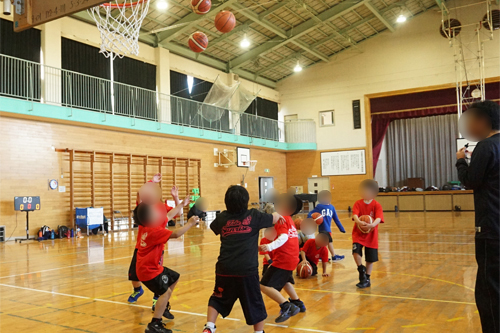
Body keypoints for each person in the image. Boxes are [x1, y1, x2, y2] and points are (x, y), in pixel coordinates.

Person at [202, 185, 283, 333]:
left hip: (224, 268)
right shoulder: (254, 215)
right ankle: (258, 332)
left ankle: (209, 327)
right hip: (247, 270)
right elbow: (275, 218)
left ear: (226, 201)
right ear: (246, 201)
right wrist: (277, 212)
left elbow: (214, 228)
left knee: (218, 297)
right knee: (254, 302)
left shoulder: (222, 218)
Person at [456, 100, 499, 333]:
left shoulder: (486, 146)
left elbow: (471, 180)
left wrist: (460, 160)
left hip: (491, 229)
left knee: (489, 290)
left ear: (483, 120)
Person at [134, 201, 200, 333]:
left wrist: (181, 205)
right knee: (166, 292)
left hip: (150, 268)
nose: (158, 212)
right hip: (148, 272)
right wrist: (190, 223)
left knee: (174, 277)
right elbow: (175, 234)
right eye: (154, 212)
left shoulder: (145, 226)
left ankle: (162, 306)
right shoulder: (154, 230)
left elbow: (168, 216)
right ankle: (155, 324)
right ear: (150, 217)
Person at [128, 175, 181, 314]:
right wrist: (151, 181)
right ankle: (137, 290)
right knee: (133, 275)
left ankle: (157, 300)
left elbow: (177, 213)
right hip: (141, 246)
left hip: (156, 246)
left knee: (156, 276)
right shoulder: (144, 206)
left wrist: (176, 197)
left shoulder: (161, 206)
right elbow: (140, 193)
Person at [260, 194, 305, 323]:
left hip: (284, 259)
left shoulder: (282, 219)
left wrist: (269, 246)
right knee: (285, 282)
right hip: (292, 258)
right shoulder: (289, 219)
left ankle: (286, 306)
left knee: (263, 285)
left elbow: (284, 237)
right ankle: (298, 302)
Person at [351, 179, 384, 289]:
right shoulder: (358, 203)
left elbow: (379, 218)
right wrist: (359, 222)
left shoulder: (376, 205)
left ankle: (367, 279)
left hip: (371, 234)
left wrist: (372, 225)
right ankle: (361, 269)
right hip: (358, 233)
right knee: (356, 252)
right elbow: (355, 214)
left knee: (370, 258)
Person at [307, 190, 346, 262]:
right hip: (323, 228)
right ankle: (334, 256)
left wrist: (341, 228)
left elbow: (336, 219)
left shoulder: (332, 207)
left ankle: (320, 256)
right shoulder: (319, 206)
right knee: (329, 242)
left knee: (324, 242)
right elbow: (310, 213)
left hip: (327, 228)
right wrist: (310, 219)